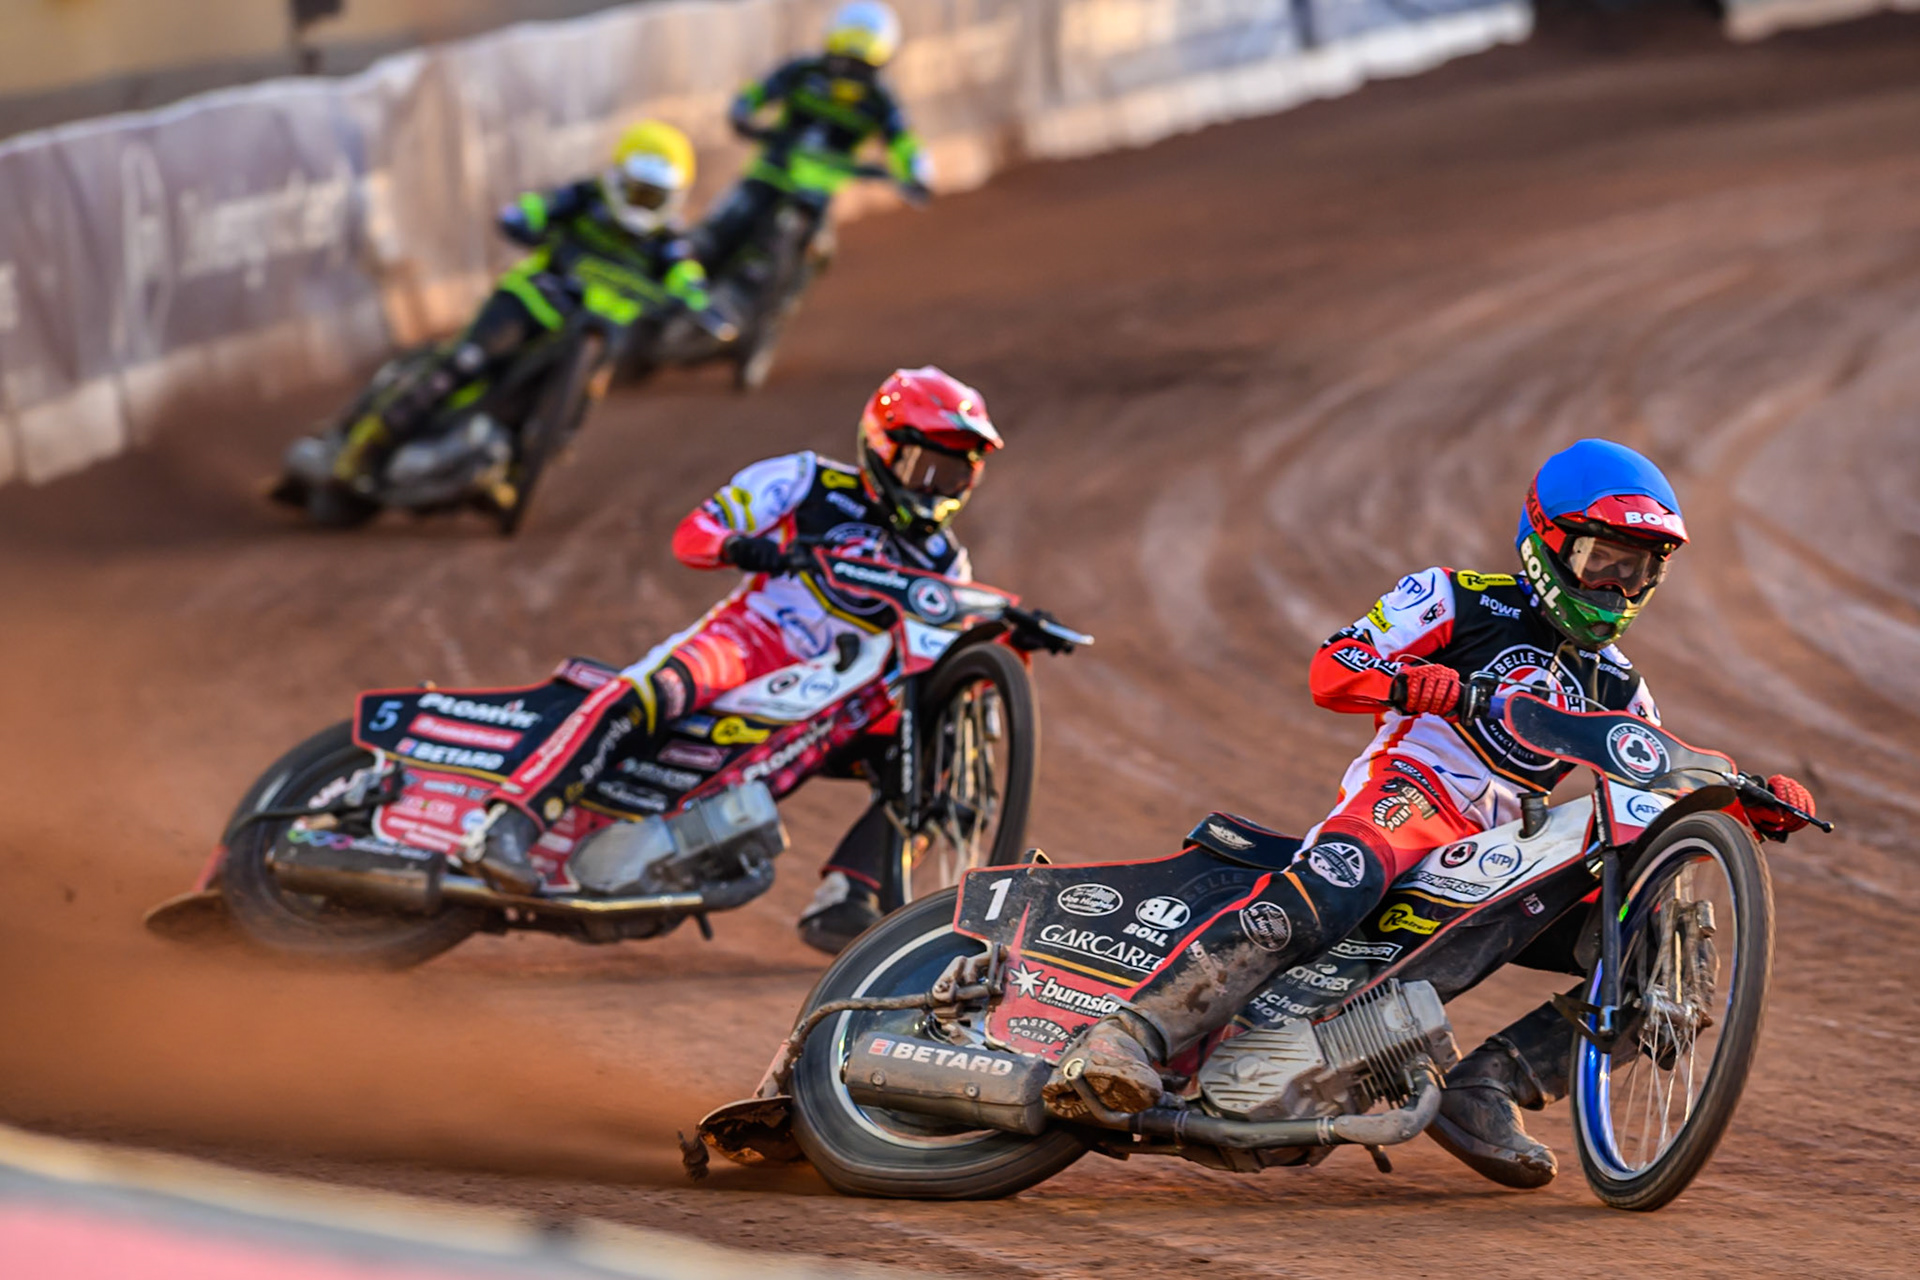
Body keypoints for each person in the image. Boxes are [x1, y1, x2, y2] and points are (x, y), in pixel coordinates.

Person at [1045, 438, 1817, 1188]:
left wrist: (1750, 796)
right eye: (1602, 561)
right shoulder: (1455, 597)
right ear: (1549, 544)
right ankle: (1128, 1036)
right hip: (1408, 797)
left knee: (1660, 954)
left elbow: (1655, 767)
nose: (1616, 588)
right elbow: (1331, 667)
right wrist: (1413, 684)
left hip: (1500, 852)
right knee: (1338, 880)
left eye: (1638, 571)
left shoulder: (1621, 686)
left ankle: (1486, 1091)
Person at [471, 365, 1001, 951]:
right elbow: (694, 532)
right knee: (640, 695)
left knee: (940, 760)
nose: (935, 490)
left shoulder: (947, 562)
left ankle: (849, 896)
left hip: (839, 700)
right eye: (926, 469)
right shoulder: (807, 479)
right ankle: (508, 825)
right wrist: (743, 547)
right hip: (747, 644)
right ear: (883, 447)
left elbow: (950, 642)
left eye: (953, 476)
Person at [332, 120, 713, 493]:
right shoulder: (583, 197)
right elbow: (534, 208)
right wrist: (525, 217)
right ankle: (368, 446)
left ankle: (519, 460)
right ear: (617, 179)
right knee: (464, 361)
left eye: (653, 196)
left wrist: (701, 304)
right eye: (636, 191)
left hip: (595, 333)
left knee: (592, 385)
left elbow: (688, 277)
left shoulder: (669, 242)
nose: (641, 203)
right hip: (532, 303)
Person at [695, 1, 931, 274]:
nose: (850, 75)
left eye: (861, 67)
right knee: (720, 230)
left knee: (816, 255)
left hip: (817, 194)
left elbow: (903, 141)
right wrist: (742, 112)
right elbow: (758, 92)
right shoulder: (803, 71)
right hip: (771, 171)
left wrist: (918, 172)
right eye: (844, 62)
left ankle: (776, 299)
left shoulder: (881, 101)